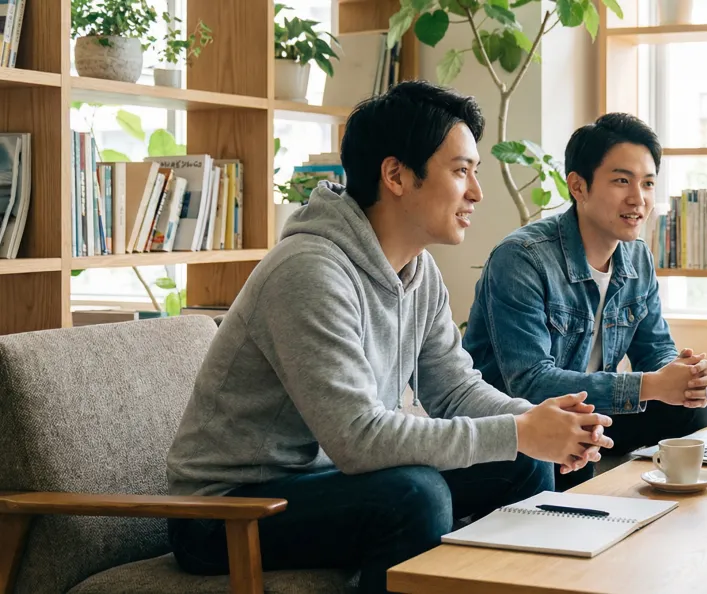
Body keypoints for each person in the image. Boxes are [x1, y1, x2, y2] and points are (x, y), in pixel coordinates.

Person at [165, 81, 612, 594]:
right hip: (224, 512)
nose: (476, 192)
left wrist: (536, 424)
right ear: (396, 175)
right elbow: (357, 439)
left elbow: (456, 390)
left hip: (324, 483)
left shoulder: (416, 271)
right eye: (461, 170)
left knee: (523, 463)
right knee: (413, 495)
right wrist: (518, 431)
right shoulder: (310, 271)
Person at [463, 113, 707, 490]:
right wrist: (651, 385)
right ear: (578, 187)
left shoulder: (637, 258)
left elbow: (656, 349)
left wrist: (683, 377)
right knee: (577, 433)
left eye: (648, 183)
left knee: (690, 411)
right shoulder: (523, 258)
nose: (638, 198)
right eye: (621, 181)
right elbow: (529, 384)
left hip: (588, 412)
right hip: (521, 421)